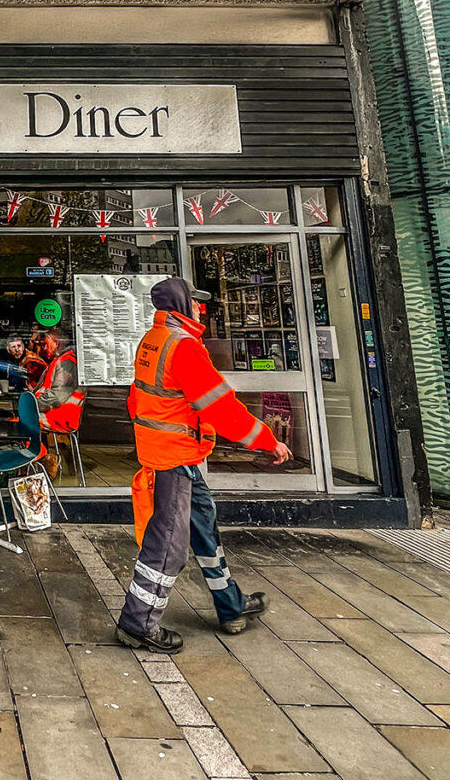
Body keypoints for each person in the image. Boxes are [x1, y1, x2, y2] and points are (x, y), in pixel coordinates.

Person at [116, 277, 292, 654]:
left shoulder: (153, 340)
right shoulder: (183, 348)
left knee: (204, 532)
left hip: (174, 455)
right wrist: (266, 440)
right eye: (195, 302)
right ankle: (137, 623)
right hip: (174, 459)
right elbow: (221, 408)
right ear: (182, 303)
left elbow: (137, 398)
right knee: (168, 547)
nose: (201, 308)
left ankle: (230, 605)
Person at [34, 327, 85, 434]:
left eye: (46, 344)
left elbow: (58, 396)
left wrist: (34, 405)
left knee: (21, 422)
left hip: (60, 416)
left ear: (56, 343)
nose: (44, 348)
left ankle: (34, 450)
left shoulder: (66, 362)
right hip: (56, 413)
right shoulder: (62, 360)